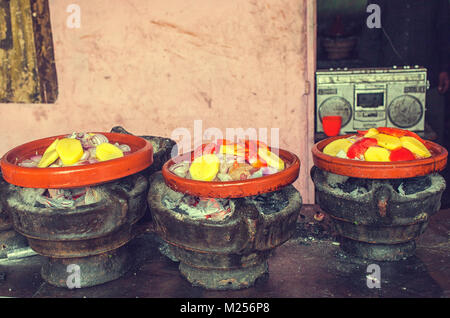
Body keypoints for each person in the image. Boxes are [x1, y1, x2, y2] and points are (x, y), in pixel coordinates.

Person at [357, 0, 450, 145]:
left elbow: (445, 31)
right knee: (387, 139)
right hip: (388, 82)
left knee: (433, 141)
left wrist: (445, 68)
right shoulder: (377, 2)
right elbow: (369, 38)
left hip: (430, 78)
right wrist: (371, 77)